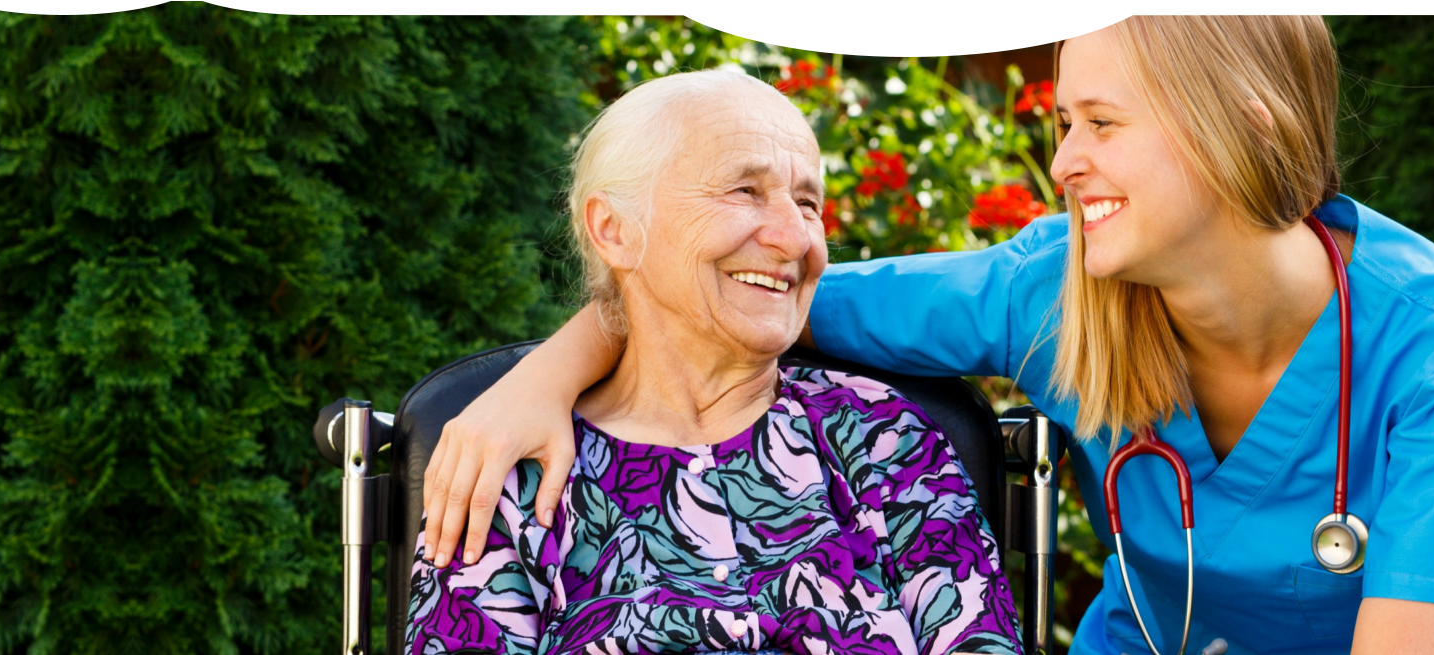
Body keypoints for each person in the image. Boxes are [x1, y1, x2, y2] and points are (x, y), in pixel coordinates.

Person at [421, 17, 1434, 655]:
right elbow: (750, 289)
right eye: (1062, 120)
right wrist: (545, 371)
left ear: (1245, 123)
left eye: (1099, 123)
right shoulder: (1051, 288)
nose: (1064, 159)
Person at [405, 69, 1021, 655]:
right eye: (744, 191)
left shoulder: (880, 439)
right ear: (614, 230)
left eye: (808, 204)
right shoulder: (513, 476)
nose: (796, 237)